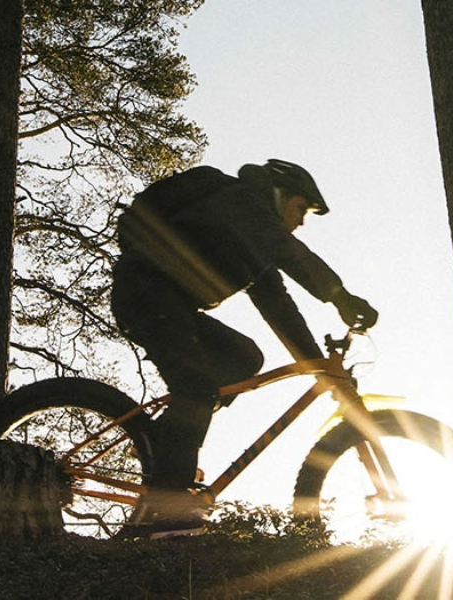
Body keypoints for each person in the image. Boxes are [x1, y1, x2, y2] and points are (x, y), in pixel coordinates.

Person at [110, 159, 378, 538]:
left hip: (171, 304)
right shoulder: (239, 200)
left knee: (244, 358)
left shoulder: (255, 249)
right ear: (279, 194)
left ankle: (166, 443)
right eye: (300, 208)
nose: (301, 221)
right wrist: (339, 295)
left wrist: (319, 365)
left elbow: (281, 311)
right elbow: (287, 249)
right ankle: (166, 512)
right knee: (196, 387)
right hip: (146, 293)